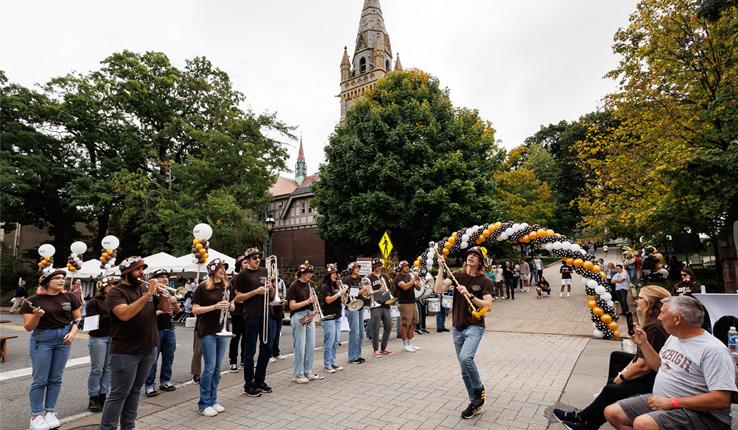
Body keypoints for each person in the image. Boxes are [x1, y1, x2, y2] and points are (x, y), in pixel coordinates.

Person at [604, 295, 737, 430]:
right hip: (665, 399)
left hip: (704, 415)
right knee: (613, 413)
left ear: (677, 319)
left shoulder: (713, 350)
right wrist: (643, 344)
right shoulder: (675, 337)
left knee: (643, 424)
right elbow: (661, 367)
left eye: (662, 313)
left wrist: (673, 402)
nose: (659, 317)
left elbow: (722, 399)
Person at [554, 285, 671, 430]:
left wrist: (621, 378)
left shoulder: (655, 327)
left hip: (654, 378)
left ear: (651, 302)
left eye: (640, 298)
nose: (636, 300)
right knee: (616, 357)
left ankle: (586, 422)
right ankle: (600, 405)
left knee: (612, 387)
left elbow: (643, 366)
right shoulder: (653, 323)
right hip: (652, 370)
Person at [435, 246, 494, 419]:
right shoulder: (456, 276)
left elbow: (488, 305)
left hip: (475, 326)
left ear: (481, 262)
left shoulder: (484, 281)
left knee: (466, 358)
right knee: (463, 371)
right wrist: (440, 268)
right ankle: (474, 404)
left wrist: (470, 295)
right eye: (470, 254)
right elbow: (439, 289)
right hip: (457, 327)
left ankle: (479, 389)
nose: (471, 256)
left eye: (476, 255)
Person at [100, 256, 159, 430]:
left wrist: (162, 296)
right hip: (125, 351)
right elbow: (124, 314)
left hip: (148, 348)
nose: (142, 273)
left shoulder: (144, 287)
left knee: (135, 390)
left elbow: (169, 309)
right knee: (119, 393)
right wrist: (148, 294)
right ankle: (108, 427)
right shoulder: (116, 292)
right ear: (126, 272)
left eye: (143, 269)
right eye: (138, 269)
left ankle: (128, 426)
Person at [21, 269, 82, 430]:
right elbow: (28, 327)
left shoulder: (70, 297)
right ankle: (36, 416)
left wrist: (73, 333)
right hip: (42, 340)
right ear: (47, 282)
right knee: (40, 380)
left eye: (63, 278)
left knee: (56, 378)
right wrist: (37, 316)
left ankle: (50, 412)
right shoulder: (33, 300)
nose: (62, 280)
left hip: (64, 338)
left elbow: (77, 318)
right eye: (57, 278)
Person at [192, 258, 233, 417]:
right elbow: (195, 310)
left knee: (217, 369)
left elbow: (233, 304)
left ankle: (213, 399)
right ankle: (204, 403)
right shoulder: (202, 287)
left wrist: (231, 305)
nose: (223, 270)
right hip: (207, 330)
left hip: (222, 330)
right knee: (209, 367)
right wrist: (214, 307)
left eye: (224, 268)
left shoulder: (227, 286)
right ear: (213, 270)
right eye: (221, 268)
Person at [233, 247, 274, 396]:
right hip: (251, 315)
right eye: (254, 258)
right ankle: (248, 384)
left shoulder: (264, 271)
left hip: (266, 313)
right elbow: (238, 298)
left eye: (258, 257)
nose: (257, 260)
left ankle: (259, 380)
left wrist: (271, 288)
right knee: (250, 350)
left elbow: (272, 295)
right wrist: (255, 292)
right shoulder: (242, 275)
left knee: (267, 348)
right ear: (248, 260)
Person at [145, 269, 179, 397]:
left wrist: (174, 303)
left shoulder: (168, 293)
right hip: (156, 329)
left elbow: (177, 311)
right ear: (155, 280)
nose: (165, 279)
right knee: (153, 359)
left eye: (166, 277)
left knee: (169, 357)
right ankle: (149, 385)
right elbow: (146, 314)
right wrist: (162, 311)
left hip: (170, 328)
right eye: (161, 277)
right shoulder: (151, 294)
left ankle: (165, 381)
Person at [286, 261, 321, 383]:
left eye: (310, 272)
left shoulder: (311, 284)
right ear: (301, 273)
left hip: (309, 315)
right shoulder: (294, 286)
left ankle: (308, 371)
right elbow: (292, 306)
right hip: (298, 315)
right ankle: (298, 374)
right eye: (307, 273)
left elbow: (313, 300)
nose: (309, 275)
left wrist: (314, 301)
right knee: (299, 347)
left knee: (310, 345)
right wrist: (308, 301)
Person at [86, 277, 117, 413]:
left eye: (115, 285)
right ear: (102, 287)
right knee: (97, 369)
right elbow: (93, 322)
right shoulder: (94, 302)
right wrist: (112, 313)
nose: (113, 287)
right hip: (98, 337)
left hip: (113, 337)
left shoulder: (117, 301)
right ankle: (93, 396)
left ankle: (103, 394)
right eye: (110, 285)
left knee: (108, 369)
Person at [319, 264, 344, 372]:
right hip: (329, 316)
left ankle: (333, 362)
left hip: (337, 315)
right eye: (332, 273)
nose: (335, 275)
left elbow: (344, 300)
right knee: (329, 341)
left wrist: (344, 293)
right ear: (328, 275)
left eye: (335, 273)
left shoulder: (336, 285)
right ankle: (327, 364)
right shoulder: (324, 286)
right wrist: (339, 294)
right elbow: (328, 300)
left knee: (335, 341)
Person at [343, 261, 369, 363]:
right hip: (351, 307)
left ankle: (358, 354)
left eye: (358, 267)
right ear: (351, 269)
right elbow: (351, 293)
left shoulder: (359, 279)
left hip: (360, 307)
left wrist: (366, 291)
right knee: (354, 333)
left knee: (361, 333)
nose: (358, 269)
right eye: (356, 268)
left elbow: (363, 292)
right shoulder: (347, 280)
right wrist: (363, 290)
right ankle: (352, 357)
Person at [367, 258, 394, 358]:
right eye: (378, 266)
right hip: (376, 304)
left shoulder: (384, 276)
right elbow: (368, 293)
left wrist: (389, 301)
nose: (380, 267)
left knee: (389, 325)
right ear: (374, 267)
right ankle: (375, 350)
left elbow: (388, 289)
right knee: (376, 328)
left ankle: (383, 348)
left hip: (385, 304)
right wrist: (379, 290)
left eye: (380, 265)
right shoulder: (369, 277)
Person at [394, 260, 421, 352]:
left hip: (413, 301)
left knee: (414, 322)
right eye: (405, 266)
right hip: (404, 303)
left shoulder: (409, 276)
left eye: (407, 266)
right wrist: (414, 280)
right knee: (405, 323)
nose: (407, 268)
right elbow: (405, 287)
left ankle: (410, 342)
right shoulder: (398, 278)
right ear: (401, 268)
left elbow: (418, 288)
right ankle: (405, 343)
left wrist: (418, 281)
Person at [228, 254, 248, 370]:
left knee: (246, 337)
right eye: (245, 263)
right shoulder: (235, 279)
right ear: (240, 265)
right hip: (238, 312)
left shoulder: (249, 277)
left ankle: (244, 360)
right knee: (236, 337)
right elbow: (234, 298)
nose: (247, 264)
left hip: (248, 311)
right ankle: (233, 361)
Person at [268, 276, 287, 363]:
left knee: (277, 335)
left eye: (277, 281)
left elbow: (281, 298)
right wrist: (273, 289)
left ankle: (276, 352)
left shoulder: (279, 290)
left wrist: (283, 300)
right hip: (271, 314)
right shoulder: (269, 290)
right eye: (274, 281)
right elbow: (270, 300)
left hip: (279, 313)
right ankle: (269, 354)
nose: (276, 283)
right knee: (271, 335)